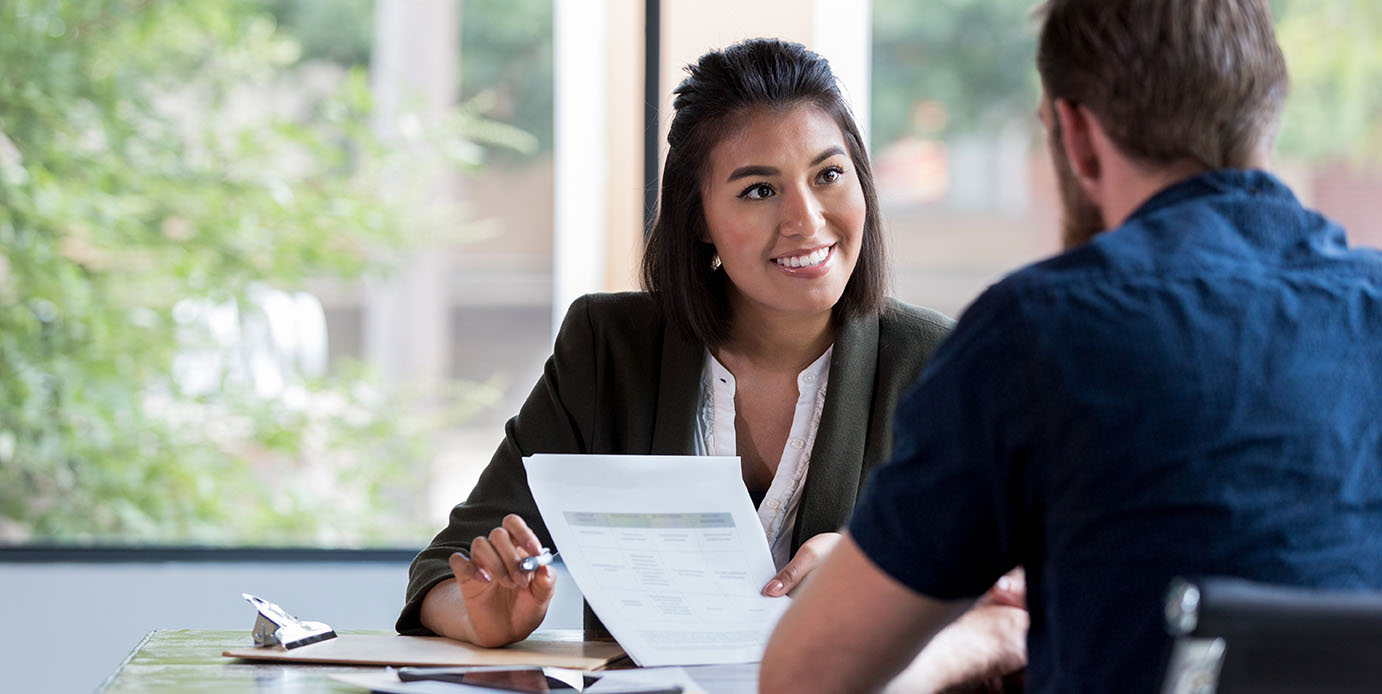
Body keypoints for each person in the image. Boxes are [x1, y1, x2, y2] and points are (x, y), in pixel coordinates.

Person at [761, 1, 1382, 693]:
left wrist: (985, 635)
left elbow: (806, 677)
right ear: (1271, 107)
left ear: (1077, 135)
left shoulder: (1037, 332)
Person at [397, 39, 1022, 686]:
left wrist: (877, 572)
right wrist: (483, 617)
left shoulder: (938, 364)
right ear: (699, 220)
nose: (806, 220)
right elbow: (444, 570)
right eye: (758, 190)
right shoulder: (609, 348)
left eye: (828, 175)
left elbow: (1016, 591)